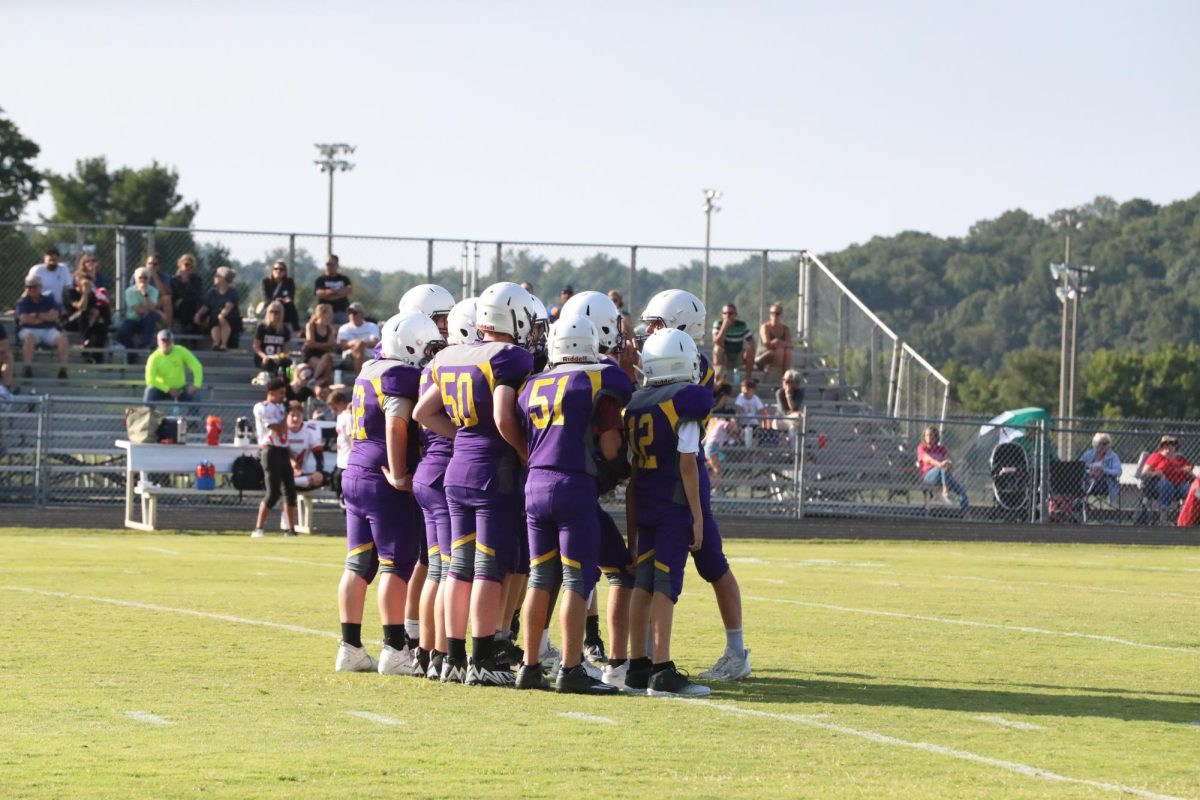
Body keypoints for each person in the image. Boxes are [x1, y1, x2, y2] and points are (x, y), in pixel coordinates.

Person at [414, 282, 536, 686]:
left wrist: (463, 435)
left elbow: (423, 412)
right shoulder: (510, 357)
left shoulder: (451, 355)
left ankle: (453, 657)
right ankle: (483, 658)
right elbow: (503, 416)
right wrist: (521, 451)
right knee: (486, 567)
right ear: (514, 317)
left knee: (458, 567)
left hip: (457, 471)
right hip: (491, 472)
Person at [636, 288, 751, 686]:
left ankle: (736, 651)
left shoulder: (687, 366)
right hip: (659, 477)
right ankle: (644, 653)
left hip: (681, 476)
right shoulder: (673, 360)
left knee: (709, 561)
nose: (647, 331)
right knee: (648, 571)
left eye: (656, 324)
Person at [514, 315, 630, 694]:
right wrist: (613, 466)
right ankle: (570, 668)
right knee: (577, 580)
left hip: (534, 483)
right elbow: (611, 443)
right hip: (573, 483)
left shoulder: (531, 385)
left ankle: (529, 666)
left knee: (540, 578)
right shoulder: (597, 378)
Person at [335, 311, 444, 675]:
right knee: (394, 567)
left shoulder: (369, 370)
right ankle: (395, 649)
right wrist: (399, 475)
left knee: (357, 564)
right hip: (383, 477)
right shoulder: (400, 376)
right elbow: (397, 424)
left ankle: (349, 647)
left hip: (355, 471)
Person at [623, 328, 713, 697]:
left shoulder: (637, 402)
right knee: (666, 585)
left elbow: (631, 470)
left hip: (644, 499)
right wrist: (698, 514)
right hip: (672, 503)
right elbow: (688, 463)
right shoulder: (684, 400)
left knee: (643, 582)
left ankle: (637, 665)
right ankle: (661, 669)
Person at [251, 377, 297, 539]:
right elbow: (279, 429)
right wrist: (285, 415)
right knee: (273, 492)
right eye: (281, 393)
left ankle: (290, 529)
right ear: (271, 393)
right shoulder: (262, 408)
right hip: (270, 451)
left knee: (290, 492)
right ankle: (258, 528)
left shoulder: (278, 408)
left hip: (283, 450)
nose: (283, 396)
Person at [16, 274, 69, 380]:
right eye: (29, 287)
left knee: (62, 337)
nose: (32, 289)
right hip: (29, 329)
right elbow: (24, 319)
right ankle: (27, 368)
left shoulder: (49, 300)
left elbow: (54, 316)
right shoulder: (22, 302)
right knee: (29, 337)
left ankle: (63, 369)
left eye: (34, 287)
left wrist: (35, 315)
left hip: (48, 329)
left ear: (40, 287)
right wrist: (45, 317)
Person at [63, 267, 109, 363]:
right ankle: (85, 340)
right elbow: (80, 307)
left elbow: (94, 312)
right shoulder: (70, 291)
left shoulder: (92, 294)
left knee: (101, 328)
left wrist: (91, 323)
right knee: (83, 313)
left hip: (87, 323)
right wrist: (84, 293)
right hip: (72, 321)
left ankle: (97, 358)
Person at [143, 329, 203, 403]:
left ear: (173, 341)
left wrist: (196, 385)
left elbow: (197, 366)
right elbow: (150, 380)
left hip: (180, 389)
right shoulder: (153, 358)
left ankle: (192, 415)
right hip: (161, 390)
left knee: (195, 394)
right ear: (158, 342)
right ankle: (148, 414)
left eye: (168, 340)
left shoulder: (181, 351)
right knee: (150, 391)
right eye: (163, 340)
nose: (166, 343)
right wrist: (169, 389)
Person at [916, 426, 968, 509]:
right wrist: (940, 464)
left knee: (963, 493)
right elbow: (928, 459)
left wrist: (949, 464)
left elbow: (948, 462)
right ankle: (945, 491)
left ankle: (964, 514)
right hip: (928, 477)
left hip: (944, 477)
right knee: (943, 467)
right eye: (927, 435)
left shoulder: (941, 449)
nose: (929, 437)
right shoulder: (922, 448)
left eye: (931, 435)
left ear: (936, 437)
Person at [1141, 435, 1194, 512]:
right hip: (1160, 484)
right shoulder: (1156, 456)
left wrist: (1197, 481)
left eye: (1172, 444)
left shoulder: (1180, 458)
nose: (1169, 446)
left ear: (1175, 446)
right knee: (1167, 486)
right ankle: (1164, 518)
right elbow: (1144, 473)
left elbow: (1189, 473)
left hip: (1180, 485)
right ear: (1162, 446)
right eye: (1166, 444)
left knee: (1192, 490)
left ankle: (1189, 515)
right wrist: (1155, 474)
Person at [118, 267, 163, 355]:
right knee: (123, 331)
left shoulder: (153, 291)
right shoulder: (129, 292)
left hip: (146, 321)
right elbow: (138, 310)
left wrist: (145, 294)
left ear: (149, 279)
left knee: (151, 315)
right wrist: (152, 309)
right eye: (140, 278)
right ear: (135, 279)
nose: (142, 280)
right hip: (132, 320)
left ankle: (145, 344)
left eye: (145, 278)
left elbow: (152, 308)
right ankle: (132, 353)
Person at [196, 266, 241, 351]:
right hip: (215, 319)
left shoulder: (232, 292)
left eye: (217, 275)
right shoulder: (212, 292)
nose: (214, 277)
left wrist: (221, 315)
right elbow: (206, 306)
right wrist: (198, 314)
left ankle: (224, 344)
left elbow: (228, 308)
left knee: (221, 318)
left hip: (230, 319)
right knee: (215, 319)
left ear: (223, 278)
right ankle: (216, 344)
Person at [284, 402, 326, 490]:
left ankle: (291, 482)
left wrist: (318, 471)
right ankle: (291, 482)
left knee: (320, 477)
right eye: (292, 415)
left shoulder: (311, 430)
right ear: (286, 416)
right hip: (283, 471)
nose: (295, 419)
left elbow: (319, 456)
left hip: (302, 472)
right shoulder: (280, 430)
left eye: (298, 415)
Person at [711, 303, 755, 384]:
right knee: (717, 349)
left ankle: (748, 378)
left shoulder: (741, 325)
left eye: (730, 313)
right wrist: (724, 326)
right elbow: (717, 342)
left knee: (750, 349)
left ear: (735, 315)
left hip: (738, 356)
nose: (728, 315)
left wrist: (748, 353)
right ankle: (718, 379)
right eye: (725, 313)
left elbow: (752, 342)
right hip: (724, 357)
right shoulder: (718, 324)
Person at [1079, 432, 1122, 505]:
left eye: (1107, 443)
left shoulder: (1113, 456)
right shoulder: (1089, 454)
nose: (1105, 446)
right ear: (1096, 444)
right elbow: (1079, 466)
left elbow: (1118, 471)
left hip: (1105, 484)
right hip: (1087, 481)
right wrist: (1090, 467)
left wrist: (1104, 470)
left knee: (1100, 482)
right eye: (1102, 443)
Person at [337, 302, 380, 375]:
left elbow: (375, 342)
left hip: (369, 356)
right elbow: (342, 345)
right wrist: (355, 344)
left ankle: (359, 380)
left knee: (360, 347)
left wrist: (361, 344)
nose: (352, 315)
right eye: (349, 313)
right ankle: (360, 379)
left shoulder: (372, 326)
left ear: (362, 314)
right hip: (349, 358)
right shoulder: (344, 328)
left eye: (355, 313)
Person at [253, 301, 292, 378]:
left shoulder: (284, 330)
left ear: (281, 314)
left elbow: (285, 348)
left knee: (289, 364)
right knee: (269, 364)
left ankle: (289, 383)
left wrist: (285, 355)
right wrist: (264, 356)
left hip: (277, 357)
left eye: (276, 312)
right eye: (271, 312)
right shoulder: (262, 327)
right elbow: (256, 346)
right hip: (264, 357)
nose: (273, 315)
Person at [302, 303, 337, 385]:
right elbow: (310, 343)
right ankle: (325, 385)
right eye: (329, 314)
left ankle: (316, 380)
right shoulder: (311, 326)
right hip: (311, 355)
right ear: (322, 313)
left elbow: (331, 346)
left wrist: (317, 345)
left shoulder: (330, 329)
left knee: (327, 359)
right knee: (327, 365)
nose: (331, 316)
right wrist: (325, 345)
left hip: (323, 355)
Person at [755, 303, 793, 379]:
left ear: (781, 315)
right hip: (765, 352)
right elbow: (767, 343)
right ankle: (776, 378)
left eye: (777, 314)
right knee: (780, 351)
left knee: (788, 352)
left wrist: (780, 342)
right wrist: (777, 343)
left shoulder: (785, 329)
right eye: (772, 313)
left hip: (779, 352)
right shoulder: (765, 327)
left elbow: (790, 345)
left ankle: (785, 377)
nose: (774, 316)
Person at [170, 254, 204, 335]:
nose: (188, 268)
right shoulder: (174, 280)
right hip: (178, 308)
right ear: (180, 265)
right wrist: (184, 281)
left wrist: (187, 282)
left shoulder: (196, 279)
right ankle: (186, 328)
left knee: (190, 303)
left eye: (191, 266)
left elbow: (197, 295)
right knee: (187, 303)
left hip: (192, 305)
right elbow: (175, 295)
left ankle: (192, 331)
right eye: (186, 265)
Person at [315, 254, 353, 324]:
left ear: (337, 265)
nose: (329, 266)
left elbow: (348, 290)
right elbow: (320, 293)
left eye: (331, 264)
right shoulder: (320, 280)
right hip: (325, 312)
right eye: (327, 264)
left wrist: (329, 293)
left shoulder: (344, 279)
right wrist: (339, 293)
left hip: (341, 311)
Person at [262, 260, 300, 331]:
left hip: (284, 307)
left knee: (291, 305)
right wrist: (278, 300)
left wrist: (280, 300)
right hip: (270, 307)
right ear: (272, 271)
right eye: (276, 269)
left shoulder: (289, 282)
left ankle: (297, 330)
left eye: (281, 269)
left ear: (285, 272)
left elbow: (290, 297)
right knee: (275, 307)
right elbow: (267, 298)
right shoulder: (266, 282)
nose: (278, 271)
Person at [329, 388, 351, 506]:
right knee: (336, 482)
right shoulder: (341, 416)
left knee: (341, 485)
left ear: (340, 403)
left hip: (347, 461)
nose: (332, 411)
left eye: (334, 407)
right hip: (341, 460)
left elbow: (352, 437)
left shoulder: (348, 417)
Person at [142, 254, 174, 329]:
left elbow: (164, 293)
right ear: (146, 264)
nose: (152, 266)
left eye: (155, 264)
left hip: (156, 303)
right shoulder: (139, 275)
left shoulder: (164, 276)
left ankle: (167, 328)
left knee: (167, 299)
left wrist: (155, 276)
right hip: (142, 301)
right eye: (149, 263)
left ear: (159, 266)